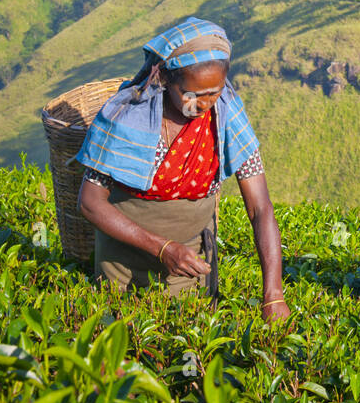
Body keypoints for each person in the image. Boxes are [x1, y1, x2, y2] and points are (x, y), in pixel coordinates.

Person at [73, 17, 289, 321]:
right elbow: (90, 203)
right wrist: (162, 248)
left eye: (213, 92)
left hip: (189, 262)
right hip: (123, 264)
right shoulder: (127, 118)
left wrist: (273, 295)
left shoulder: (227, 117)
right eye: (191, 94)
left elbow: (261, 208)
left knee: (187, 342)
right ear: (166, 80)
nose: (202, 104)